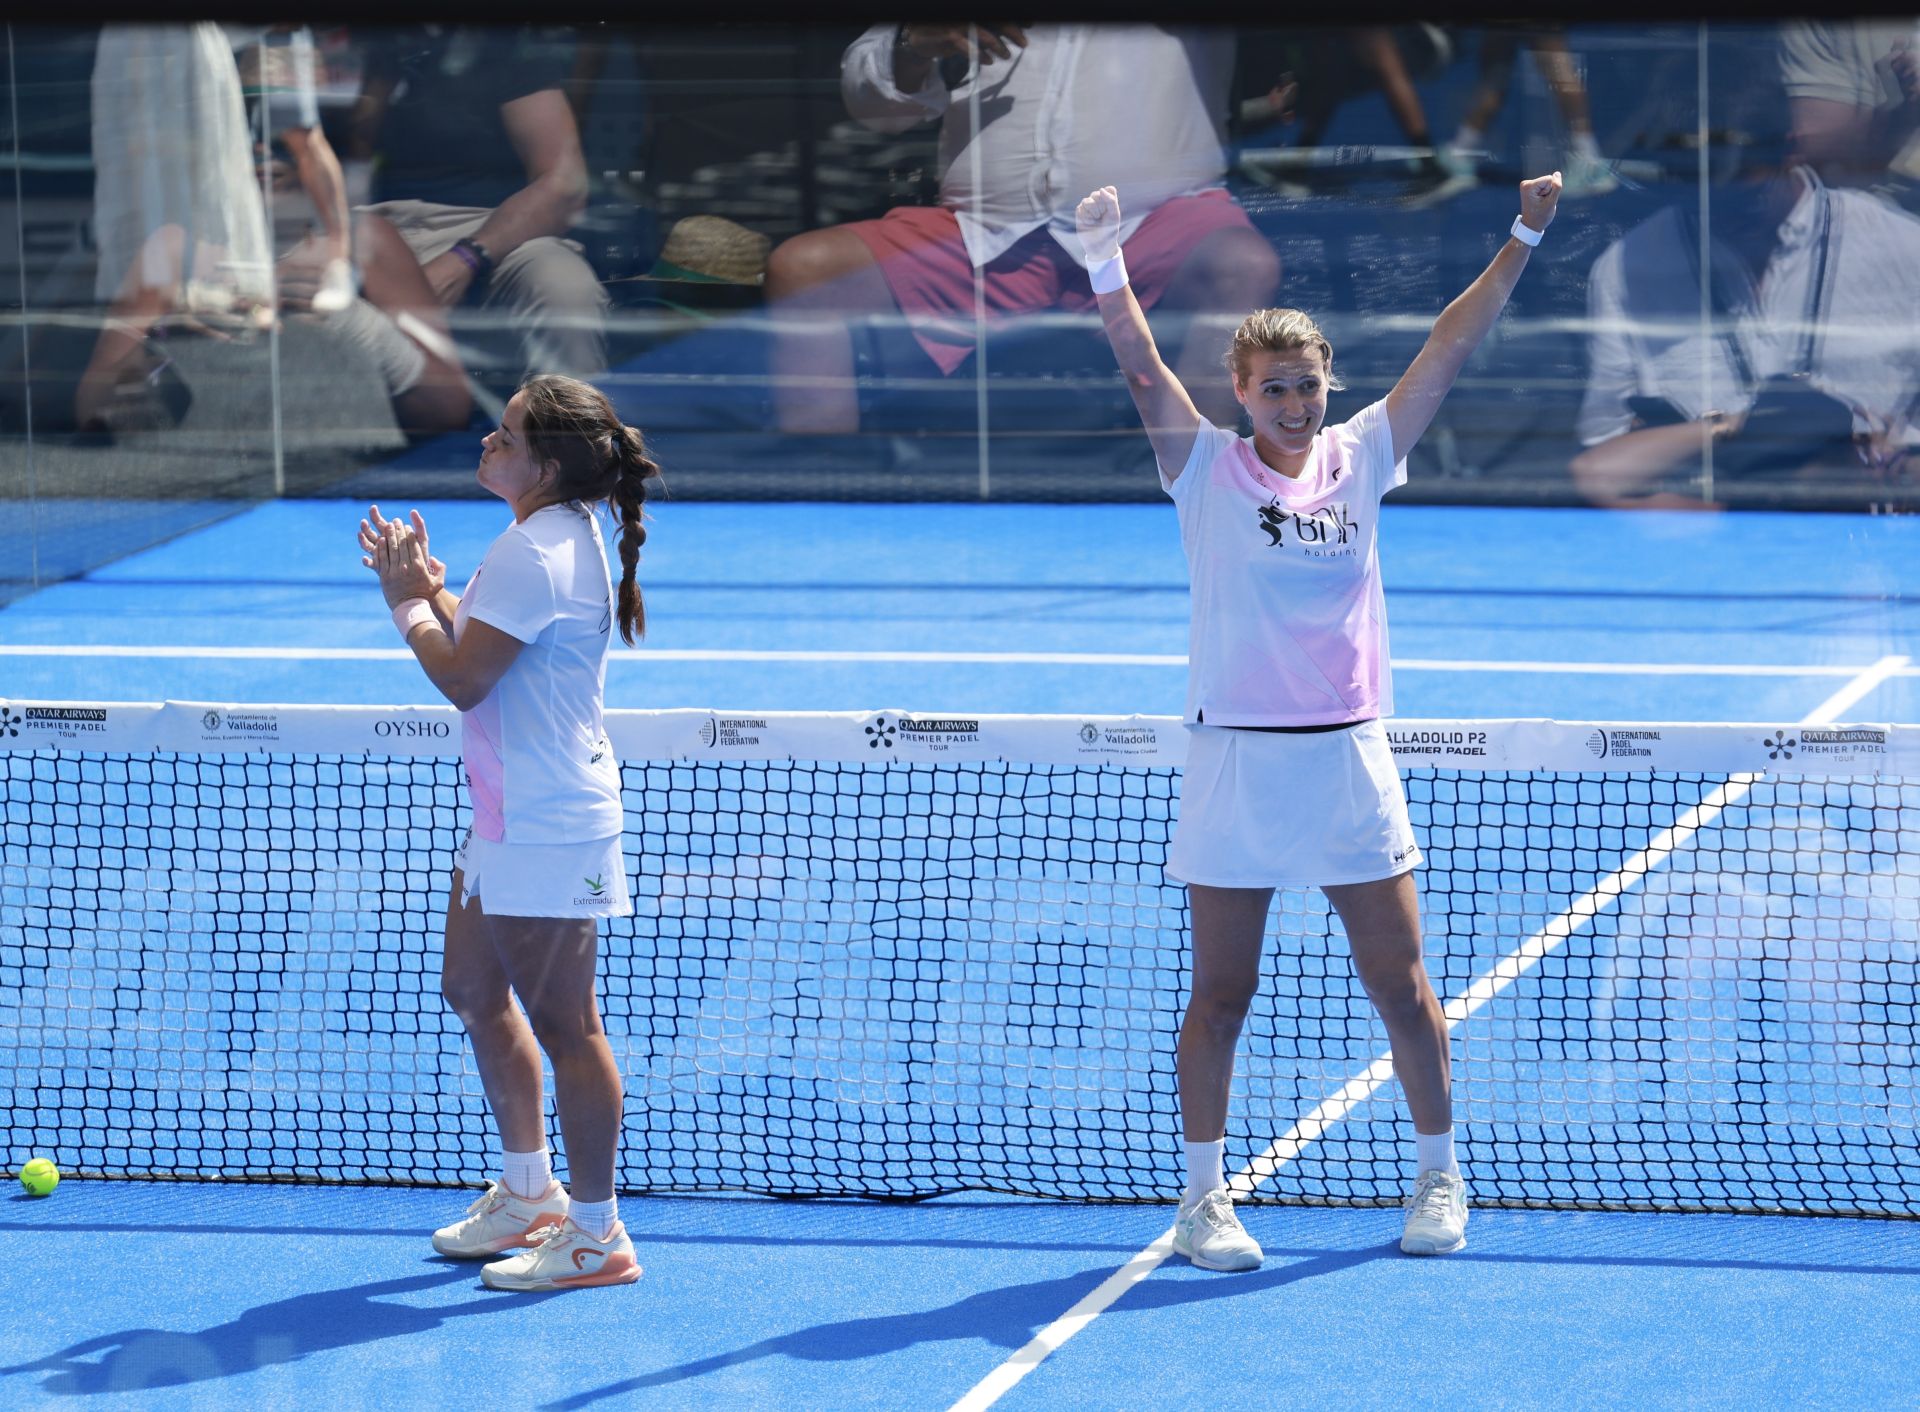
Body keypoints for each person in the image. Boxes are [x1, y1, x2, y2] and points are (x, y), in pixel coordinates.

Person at [1076, 171, 1563, 1268]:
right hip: (1234, 763)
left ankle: (1439, 1176)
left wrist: (1524, 233)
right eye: (1275, 389)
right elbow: (1140, 364)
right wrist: (1104, 259)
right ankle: (1203, 1200)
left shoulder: (1366, 454)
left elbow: (1451, 342)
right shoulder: (1201, 466)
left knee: (1402, 985)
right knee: (1222, 992)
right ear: (1241, 393)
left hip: (1347, 757)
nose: (1295, 404)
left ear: (1327, 383)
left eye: (1308, 385)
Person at [359, 373, 661, 1291]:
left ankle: (597, 1234)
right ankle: (531, 1193)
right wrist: (438, 596)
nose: (489, 441)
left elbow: (463, 680)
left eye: (508, 435)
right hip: (506, 815)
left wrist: (407, 602)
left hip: (547, 821)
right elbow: (495, 651)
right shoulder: (550, 535)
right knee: (473, 989)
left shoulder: (536, 549)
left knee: (570, 1026)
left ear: (547, 465)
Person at [765, 22, 1281, 433]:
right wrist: (912, 45)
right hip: (980, 231)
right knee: (807, 270)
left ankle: (1201, 488)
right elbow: (873, 109)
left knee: (1239, 265)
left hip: (1156, 224)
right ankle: (824, 497)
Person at [349, 25, 605, 383]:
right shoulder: (350, 44)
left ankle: (563, 419)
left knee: (562, 285)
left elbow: (563, 184)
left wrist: (466, 258)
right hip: (359, 229)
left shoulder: (503, 47)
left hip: (486, 228)